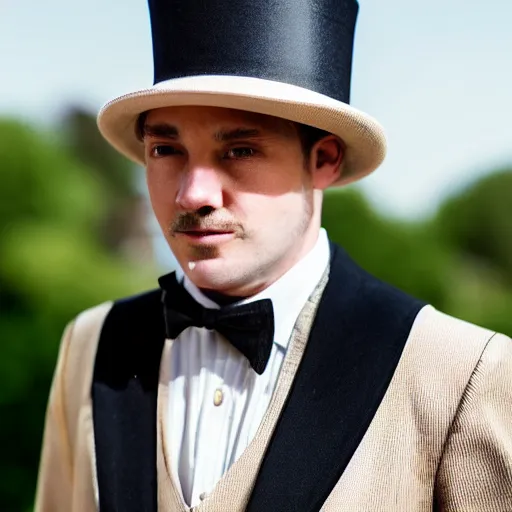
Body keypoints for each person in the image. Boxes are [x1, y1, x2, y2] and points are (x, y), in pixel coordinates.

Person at [35, 0, 512, 511]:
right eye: (166, 150)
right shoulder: (90, 346)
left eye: (240, 150)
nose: (194, 194)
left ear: (324, 158)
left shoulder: (465, 375)